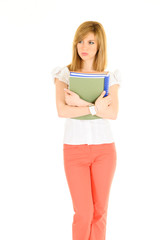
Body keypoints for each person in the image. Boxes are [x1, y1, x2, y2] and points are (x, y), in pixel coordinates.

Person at [51, 21, 122, 240]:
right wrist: (91, 106)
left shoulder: (109, 77)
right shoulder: (65, 74)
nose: (85, 46)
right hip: (74, 151)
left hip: (104, 150)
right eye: (81, 41)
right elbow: (62, 110)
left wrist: (79, 104)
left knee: (99, 212)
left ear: (100, 45)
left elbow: (112, 113)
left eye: (91, 42)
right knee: (84, 213)